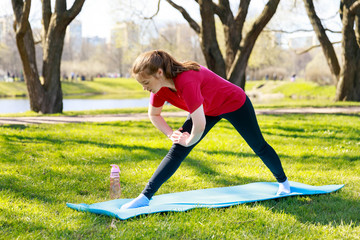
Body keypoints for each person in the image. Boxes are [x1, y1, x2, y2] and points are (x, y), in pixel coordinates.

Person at [121, 50, 291, 209]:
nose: (144, 88)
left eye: (145, 82)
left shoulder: (186, 80)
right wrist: (171, 134)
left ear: (159, 73)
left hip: (234, 103)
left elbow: (199, 125)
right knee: (177, 150)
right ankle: (144, 197)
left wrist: (188, 139)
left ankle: (284, 183)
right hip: (207, 110)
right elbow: (154, 115)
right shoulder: (159, 88)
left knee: (258, 146)